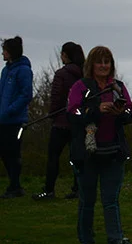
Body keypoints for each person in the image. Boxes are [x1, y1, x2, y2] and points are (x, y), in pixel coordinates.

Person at [67, 46, 132, 244]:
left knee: (110, 200)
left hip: (114, 151)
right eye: (100, 62)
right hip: (87, 153)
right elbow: (73, 113)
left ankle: (115, 241)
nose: (104, 66)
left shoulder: (118, 87)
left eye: (107, 62)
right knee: (87, 200)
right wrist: (96, 110)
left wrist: (119, 112)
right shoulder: (80, 87)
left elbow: (130, 113)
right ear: (92, 65)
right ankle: (86, 242)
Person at [35, 42, 85, 200]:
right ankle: (78, 188)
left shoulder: (61, 74)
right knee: (77, 156)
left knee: (53, 156)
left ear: (66, 55)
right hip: (79, 121)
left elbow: (56, 97)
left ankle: (49, 190)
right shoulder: (85, 75)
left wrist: (52, 114)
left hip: (62, 121)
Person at [1, 36, 33, 198]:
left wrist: (11, 110)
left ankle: (15, 186)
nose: (2, 53)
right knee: (5, 152)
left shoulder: (23, 71)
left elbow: (26, 94)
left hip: (16, 119)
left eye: (4, 50)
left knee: (13, 152)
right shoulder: (6, 70)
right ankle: (14, 184)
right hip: (4, 119)